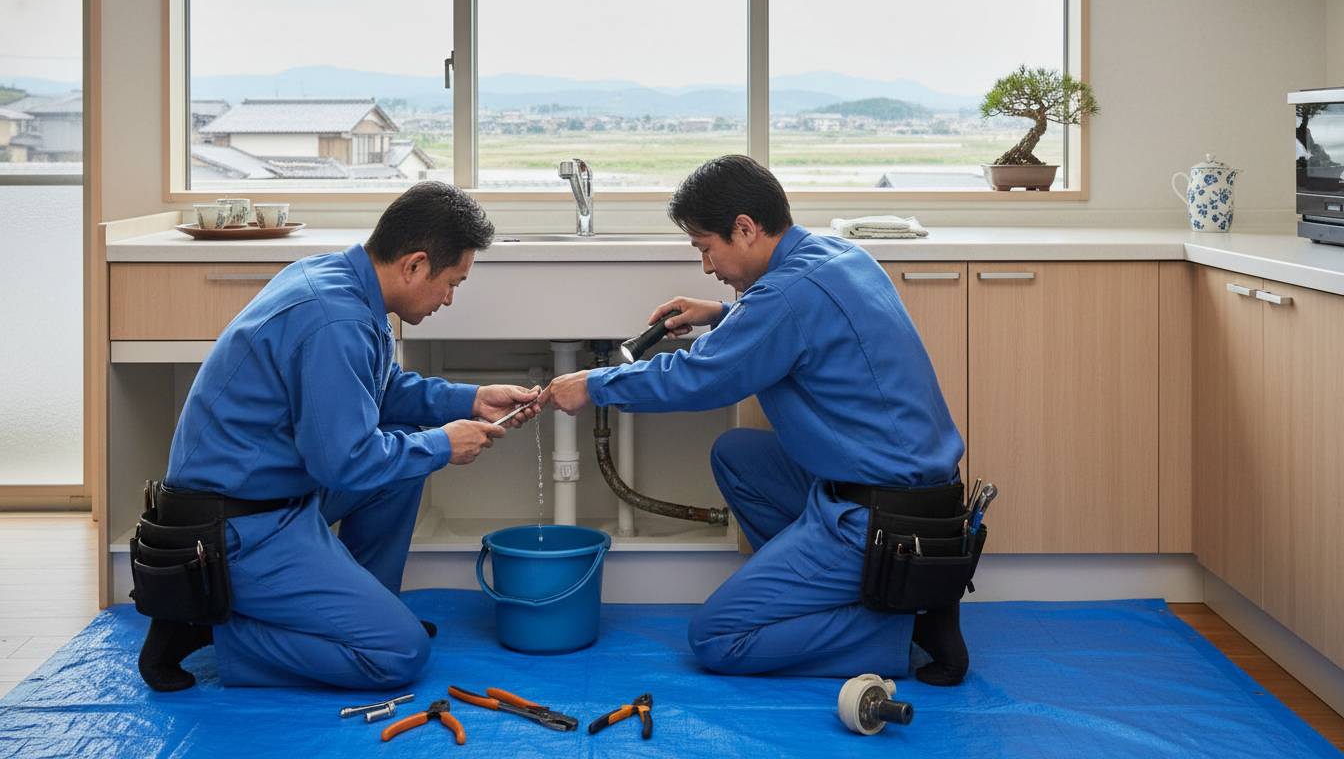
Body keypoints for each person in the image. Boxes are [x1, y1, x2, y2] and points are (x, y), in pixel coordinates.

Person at [542, 155, 968, 685]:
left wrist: (592, 384)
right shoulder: (837, 254)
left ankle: (904, 634)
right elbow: (799, 322)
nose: (706, 267)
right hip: (922, 500)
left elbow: (699, 378)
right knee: (738, 456)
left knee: (717, 639)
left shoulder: (783, 297)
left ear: (744, 229)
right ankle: (854, 590)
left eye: (705, 248)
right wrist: (723, 314)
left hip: (881, 520)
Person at [138, 181, 540, 692]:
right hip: (236, 528)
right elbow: (345, 464)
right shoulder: (335, 319)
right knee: (398, 653)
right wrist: (444, 444)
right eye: (451, 282)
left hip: (265, 493)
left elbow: (379, 389)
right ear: (415, 264)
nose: (450, 299)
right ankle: (208, 626)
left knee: (405, 443)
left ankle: (364, 611)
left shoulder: (335, 278)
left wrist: (471, 398)